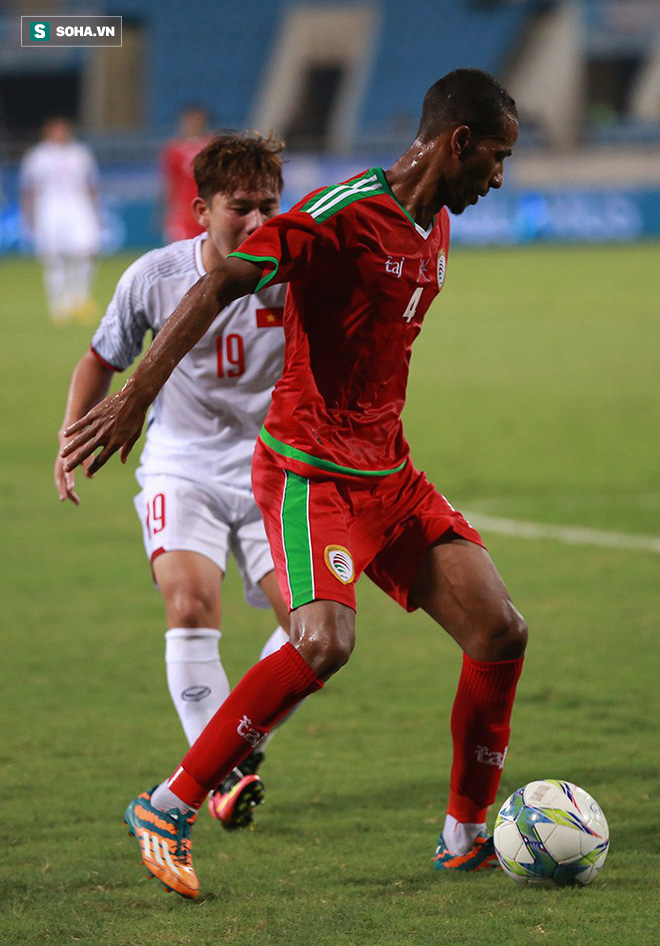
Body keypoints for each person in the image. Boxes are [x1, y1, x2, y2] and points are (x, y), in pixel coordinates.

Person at [62, 69, 528, 900]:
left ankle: (463, 836)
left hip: (391, 472)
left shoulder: (437, 224)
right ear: (458, 142)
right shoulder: (339, 214)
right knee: (323, 642)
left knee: (499, 630)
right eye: (495, 157)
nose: (499, 175)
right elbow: (222, 279)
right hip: (311, 473)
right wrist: (134, 395)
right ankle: (168, 804)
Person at [55, 132, 292, 830]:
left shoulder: (297, 273)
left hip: (274, 469)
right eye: (240, 206)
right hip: (182, 463)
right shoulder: (155, 277)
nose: (255, 222)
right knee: (189, 604)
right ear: (201, 208)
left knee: (311, 628)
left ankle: (237, 740)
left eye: (269, 207)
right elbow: (99, 360)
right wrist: (69, 442)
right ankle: (220, 772)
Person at [20, 116, 101, 324]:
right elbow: (28, 189)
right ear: (47, 132)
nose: (61, 133)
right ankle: (59, 305)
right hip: (49, 208)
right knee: (54, 258)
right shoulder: (38, 156)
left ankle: (80, 299)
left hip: (78, 205)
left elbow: (91, 184)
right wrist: (28, 217)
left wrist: (96, 211)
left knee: (85, 250)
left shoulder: (80, 153)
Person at [160, 104, 212, 244]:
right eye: (189, 120)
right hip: (185, 213)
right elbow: (171, 182)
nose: (192, 124)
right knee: (183, 252)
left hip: (209, 209)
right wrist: (167, 212)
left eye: (196, 120)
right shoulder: (174, 149)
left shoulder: (213, 147)